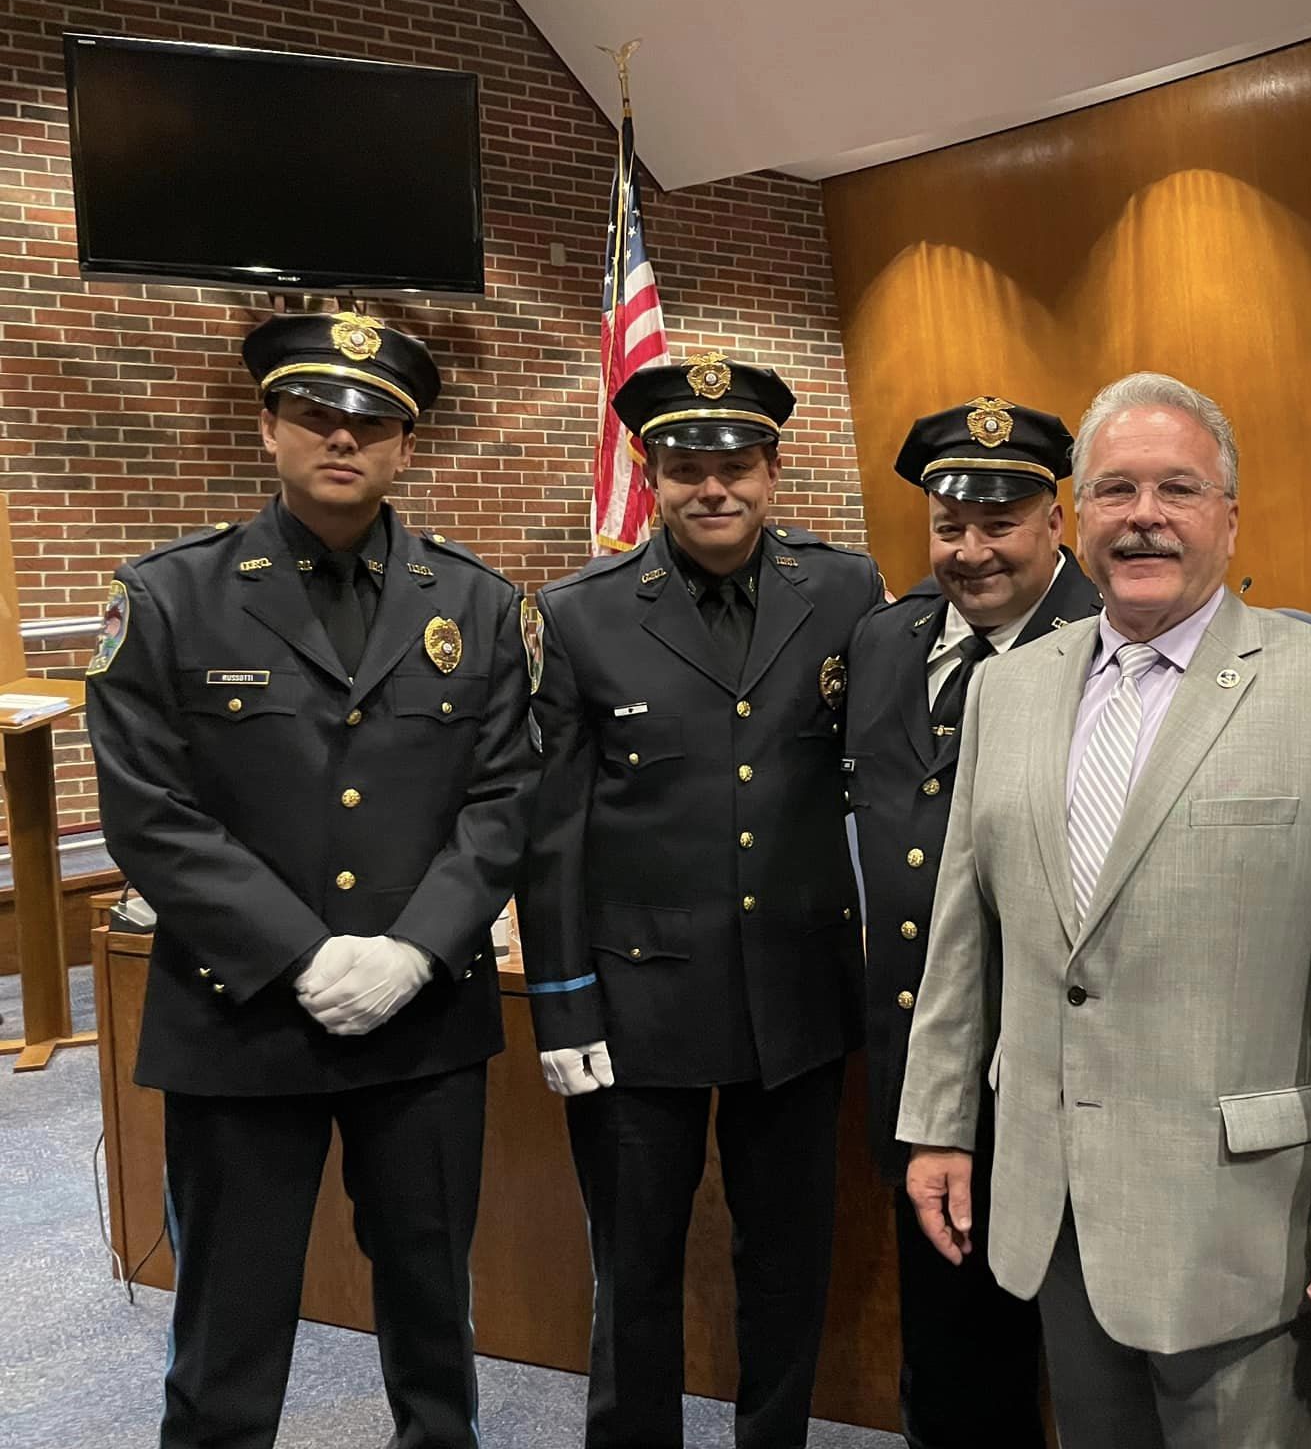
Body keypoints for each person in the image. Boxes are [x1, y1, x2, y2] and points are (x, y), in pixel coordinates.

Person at [895, 370, 1311, 1449]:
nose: (1143, 515)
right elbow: (965, 934)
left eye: (1177, 490)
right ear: (1075, 519)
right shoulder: (1010, 687)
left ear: (1228, 517)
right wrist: (937, 1123)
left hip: (1238, 1221)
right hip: (1051, 1203)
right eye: (1114, 491)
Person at [86, 310, 536, 1449]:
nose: (344, 439)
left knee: (433, 1307)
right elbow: (150, 812)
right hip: (240, 1016)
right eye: (315, 415)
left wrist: (413, 946)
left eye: (372, 422)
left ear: (405, 444)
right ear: (268, 426)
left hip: (420, 1015)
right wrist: (303, 953)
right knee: (230, 1314)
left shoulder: (474, 603)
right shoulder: (170, 598)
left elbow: (505, 798)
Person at [521, 351, 886, 1449]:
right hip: (638, 1005)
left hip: (799, 994)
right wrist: (564, 1000)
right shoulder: (579, 615)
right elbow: (551, 828)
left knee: (786, 1259)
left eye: (735, 462)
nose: (712, 486)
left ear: (773, 471)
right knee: (633, 1265)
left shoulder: (844, 590)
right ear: (651, 475)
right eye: (685, 465)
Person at [844, 395, 1100, 1447]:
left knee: (1097, 1371)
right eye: (950, 523)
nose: (971, 548)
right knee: (951, 1369)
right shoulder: (882, 642)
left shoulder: (1117, 646)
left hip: (1070, 1076)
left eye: (1000, 521)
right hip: (928, 1077)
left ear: (1055, 519)